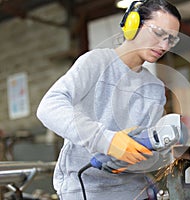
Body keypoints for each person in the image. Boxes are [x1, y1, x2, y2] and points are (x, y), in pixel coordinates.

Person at [36, 0, 181, 199]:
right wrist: (106, 141)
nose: (164, 45)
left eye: (171, 40)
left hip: (133, 192)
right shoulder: (96, 63)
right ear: (134, 23)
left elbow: (155, 155)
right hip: (85, 190)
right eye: (158, 33)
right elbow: (48, 107)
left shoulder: (154, 88)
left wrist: (144, 155)